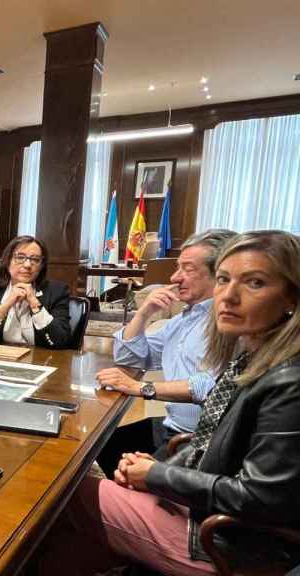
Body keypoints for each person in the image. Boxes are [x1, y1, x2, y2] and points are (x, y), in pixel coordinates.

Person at [38, 230, 300, 576]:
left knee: (57, 496)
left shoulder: (288, 381)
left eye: (254, 283)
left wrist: (160, 474)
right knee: (77, 500)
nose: (229, 296)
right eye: (224, 279)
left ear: (291, 298)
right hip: (204, 505)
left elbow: (259, 498)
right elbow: (133, 359)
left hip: (224, 541)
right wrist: (160, 470)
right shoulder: (250, 355)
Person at [95, 229, 236, 476]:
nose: (175, 277)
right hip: (170, 426)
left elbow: (211, 385)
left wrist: (141, 388)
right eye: (177, 267)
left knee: (117, 475)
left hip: (201, 441)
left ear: (221, 275)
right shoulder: (185, 318)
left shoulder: (228, 321)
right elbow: (131, 357)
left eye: (187, 269)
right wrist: (143, 313)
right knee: (98, 447)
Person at [0, 235, 72, 348]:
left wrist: (34, 304)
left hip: (41, 361)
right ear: (8, 261)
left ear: (41, 266)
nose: (27, 265)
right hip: (1, 359)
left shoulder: (57, 291)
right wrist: (5, 305)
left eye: (35, 260)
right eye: (20, 257)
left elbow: (61, 341)